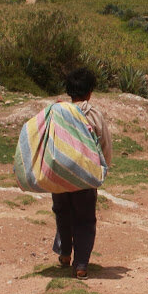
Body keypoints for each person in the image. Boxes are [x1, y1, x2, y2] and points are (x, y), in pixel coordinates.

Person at [52, 67, 112, 279]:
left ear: (70, 91)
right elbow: (104, 144)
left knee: (63, 214)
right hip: (85, 177)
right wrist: (101, 169)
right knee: (84, 219)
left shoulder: (57, 111)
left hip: (59, 175)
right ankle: (81, 265)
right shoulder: (93, 114)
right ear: (89, 92)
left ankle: (65, 254)